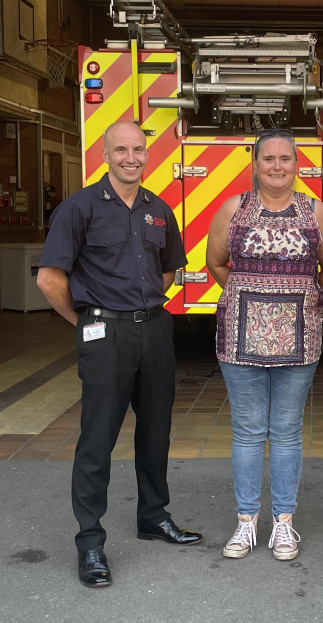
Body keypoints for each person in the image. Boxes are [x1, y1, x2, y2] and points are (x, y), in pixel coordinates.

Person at [37, 120, 203, 589]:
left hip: (154, 331)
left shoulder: (158, 209)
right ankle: (89, 540)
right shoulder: (79, 208)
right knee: (98, 440)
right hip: (104, 332)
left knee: (155, 434)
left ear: (147, 155)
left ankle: (154, 516)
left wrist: (141, 307)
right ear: (105, 153)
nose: (131, 158)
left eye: (138, 150)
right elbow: (50, 279)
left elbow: (169, 270)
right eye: (121, 150)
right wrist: (86, 323)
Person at [206, 128, 323, 562]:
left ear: (297, 164)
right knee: (246, 432)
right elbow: (215, 263)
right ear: (255, 164)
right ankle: (246, 522)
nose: (277, 166)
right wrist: (248, 292)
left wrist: (300, 298)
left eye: (285, 159)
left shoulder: (316, 212)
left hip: (299, 342)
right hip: (240, 340)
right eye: (268, 159)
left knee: (285, 433)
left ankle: (284, 523)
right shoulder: (233, 209)